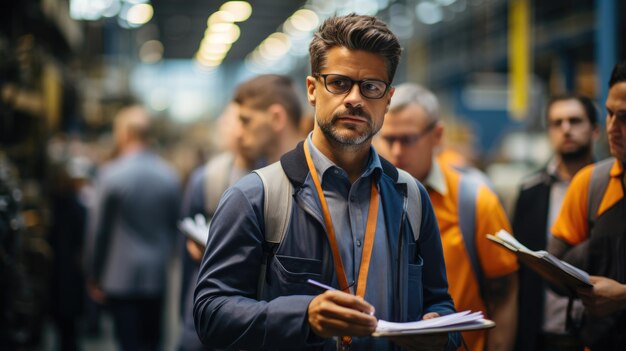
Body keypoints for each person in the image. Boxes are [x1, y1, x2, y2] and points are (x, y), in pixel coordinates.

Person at [193, 14, 460, 351]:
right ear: (312, 90)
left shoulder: (411, 198)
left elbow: (439, 303)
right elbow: (211, 313)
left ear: (387, 99)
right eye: (338, 82)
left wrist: (441, 331)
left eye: (371, 87)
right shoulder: (256, 197)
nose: (354, 99)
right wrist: (303, 316)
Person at [375, 83, 518, 351]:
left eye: (407, 139)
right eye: (388, 138)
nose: (395, 152)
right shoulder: (370, 197)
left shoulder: (475, 203)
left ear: (437, 135)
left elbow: (504, 293)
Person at [178, 75, 303, 351]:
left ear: (277, 117)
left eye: (245, 120)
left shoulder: (313, 185)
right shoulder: (247, 188)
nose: (237, 131)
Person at [85, 104, 180, 351]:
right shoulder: (169, 175)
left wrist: (94, 274)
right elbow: (175, 227)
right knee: (152, 342)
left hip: (120, 276)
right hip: (156, 275)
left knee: (128, 343)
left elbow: (99, 231)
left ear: (125, 133)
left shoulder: (111, 175)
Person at [549, 61, 626, 350]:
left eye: (624, 117)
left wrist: (622, 295)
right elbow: (555, 273)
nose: (612, 128)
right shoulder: (592, 184)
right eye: (608, 114)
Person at [513, 95, 599, 351]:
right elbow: (521, 272)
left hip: (600, 334)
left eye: (574, 121)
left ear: (595, 130)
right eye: (556, 122)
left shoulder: (612, 187)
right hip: (542, 335)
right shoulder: (530, 193)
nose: (566, 129)